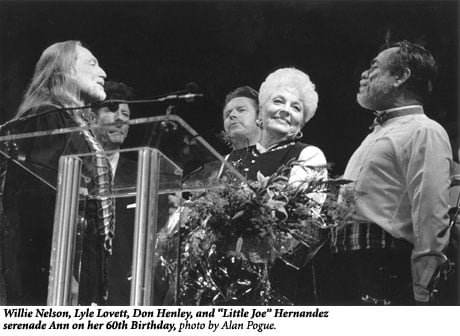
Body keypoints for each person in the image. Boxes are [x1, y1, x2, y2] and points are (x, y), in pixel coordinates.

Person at [329, 40, 453, 305]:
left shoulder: (425, 130)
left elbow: (430, 213)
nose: (363, 74)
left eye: (374, 66)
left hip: (383, 265)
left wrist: (422, 286)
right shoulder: (377, 134)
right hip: (348, 263)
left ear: (400, 76)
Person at [1, 40, 113, 305]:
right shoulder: (47, 117)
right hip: (52, 271)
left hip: (80, 259)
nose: (103, 73)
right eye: (92, 64)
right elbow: (34, 202)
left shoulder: (75, 124)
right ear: (63, 72)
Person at [226, 68, 327, 303]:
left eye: (296, 107)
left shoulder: (308, 155)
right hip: (225, 273)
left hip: (277, 280)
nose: (285, 110)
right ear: (261, 111)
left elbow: (300, 226)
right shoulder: (232, 159)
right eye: (278, 101)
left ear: (301, 122)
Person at [222, 86, 261, 150]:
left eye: (241, 110)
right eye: (227, 114)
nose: (231, 115)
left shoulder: (281, 156)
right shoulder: (220, 159)